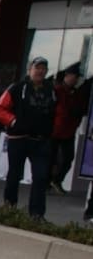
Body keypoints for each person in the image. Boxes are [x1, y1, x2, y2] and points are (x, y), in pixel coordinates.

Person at [0, 56, 57, 219]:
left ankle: (36, 214)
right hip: (19, 138)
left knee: (41, 177)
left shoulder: (51, 90)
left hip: (41, 141)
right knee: (14, 174)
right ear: (30, 70)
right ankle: (9, 206)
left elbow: (56, 113)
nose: (40, 71)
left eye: (44, 68)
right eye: (37, 68)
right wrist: (14, 121)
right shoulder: (17, 87)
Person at [50, 64, 87, 194]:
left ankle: (56, 180)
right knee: (50, 158)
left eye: (77, 77)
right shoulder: (57, 90)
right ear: (67, 76)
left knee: (68, 159)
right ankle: (46, 183)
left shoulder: (76, 93)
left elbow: (80, 109)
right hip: (54, 130)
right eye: (74, 77)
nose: (76, 80)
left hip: (69, 131)